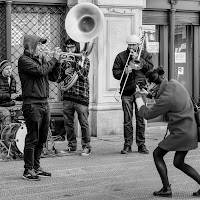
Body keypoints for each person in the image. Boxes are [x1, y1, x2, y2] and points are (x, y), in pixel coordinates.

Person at [135, 67, 200, 197]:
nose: (147, 86)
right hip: (190, 129)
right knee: (178, 162)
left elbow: (147, 114)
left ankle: (166, 189)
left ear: (153, 84)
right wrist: (148, 94)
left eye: (148, 84)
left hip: (181, 133)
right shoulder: (174, 83)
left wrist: (138, 98)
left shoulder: (166, 98)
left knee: (157, 154)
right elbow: (164, 97)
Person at [18, 34, 60, 181]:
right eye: (40, 45)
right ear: (31, 45)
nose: (42, 47)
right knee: (32, 137)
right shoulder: (24, 60)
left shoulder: (40, 60)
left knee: (42, 138)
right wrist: (53, 59)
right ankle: (28, 170)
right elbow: (41, 71)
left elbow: (54, 77)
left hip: (44, 103)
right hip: (32, 104)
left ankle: (36, 167)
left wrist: (57, 62)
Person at [112, 34, 153, 154]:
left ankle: (141, 145)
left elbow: (150, 70)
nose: (131, 47)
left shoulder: (145, 54)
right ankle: (127, 145)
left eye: (133, 45)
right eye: (129, 45)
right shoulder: (121, 56)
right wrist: (124, 72)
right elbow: (115, 72)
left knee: (141, 119)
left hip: (140, 90)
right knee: (127, 119)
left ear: (138, 45)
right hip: (127, 91)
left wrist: (140, 59)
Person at [57, 38, 91, 156]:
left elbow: (84, 75)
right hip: (68, 95)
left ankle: (86, 146)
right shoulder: (64, 61)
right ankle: (71, 145)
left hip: (81, 96)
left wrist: (76, 63)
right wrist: (64, 72)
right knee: (68, 122)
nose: (69, 50)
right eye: (67, 47)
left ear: (76, 47)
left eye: (71, 47)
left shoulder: (84, 60)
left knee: (83, 123)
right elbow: (58, 78)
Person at [0, 60, 21, 128]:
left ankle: (17, 135)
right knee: (6, 114)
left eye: (10, 68)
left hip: (10, 104)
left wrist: (19, 96)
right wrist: (10, 96)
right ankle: (6, 136)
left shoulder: (12, 79)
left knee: (21, 113)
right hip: (1, 105)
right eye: (7, 69)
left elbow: (12, 94)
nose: (9, 70)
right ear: (2, 70)